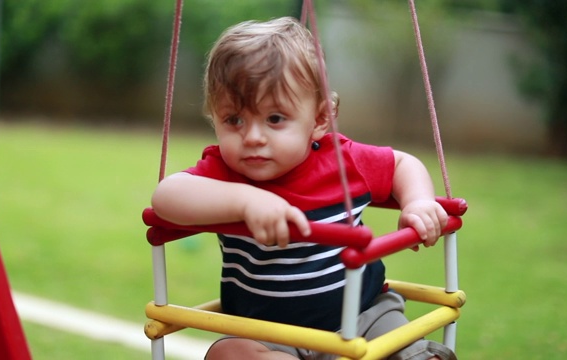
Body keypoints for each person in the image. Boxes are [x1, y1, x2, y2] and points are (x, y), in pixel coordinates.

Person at [151, 16, 456, 360]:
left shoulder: (343, 160)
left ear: (321, 119)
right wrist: (247, 200)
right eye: (233, 119)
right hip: (267, 332)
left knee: (409, 350)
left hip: (364, 316)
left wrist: (417, 201)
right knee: (226, 353)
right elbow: (166, 196)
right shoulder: (222, 172)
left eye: (275, 119)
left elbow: (402, 164)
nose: (252, 137)